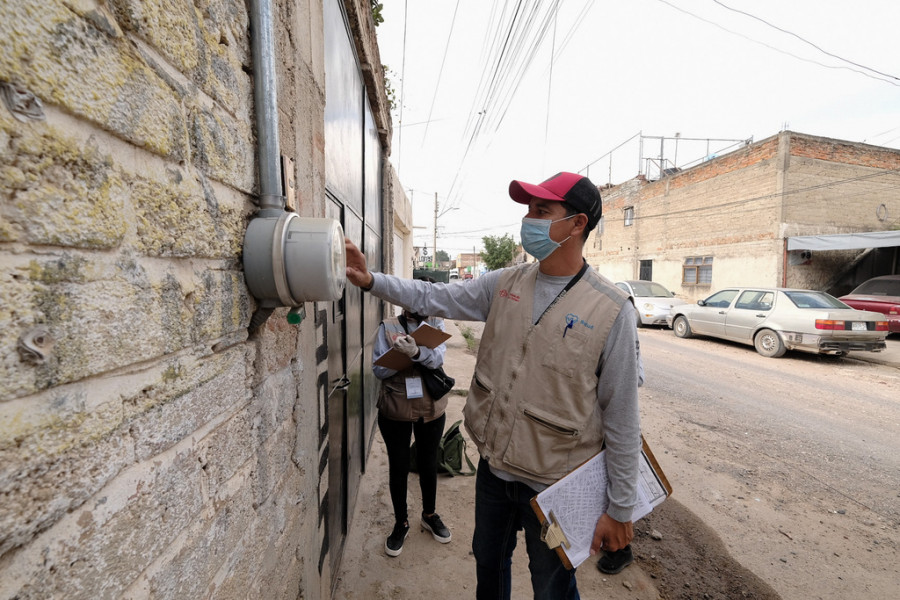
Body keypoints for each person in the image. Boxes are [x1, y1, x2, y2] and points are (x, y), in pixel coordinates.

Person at [346, 172, 643, 599]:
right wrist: (372, 280)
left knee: (553, 585)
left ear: (578, 224)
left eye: (542, 211)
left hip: (554, 485)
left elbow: (622, 417)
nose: (529, 219)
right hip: (494, 469)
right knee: (489, 565)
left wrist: (620, 508)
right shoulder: (505, 283)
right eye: (528, 210)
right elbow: (436, 296)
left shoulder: (612, 311)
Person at [372, 279, 452, 557]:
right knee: (399, 466)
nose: (416, 307)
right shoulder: (387, 327)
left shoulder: (436, 325)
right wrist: (398, 356)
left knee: (429, 463)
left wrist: (417, 352)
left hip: (431, 408)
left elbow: (438, 359)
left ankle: (429, 515)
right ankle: (400, 522)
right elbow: (378, 370)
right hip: (395, 408)